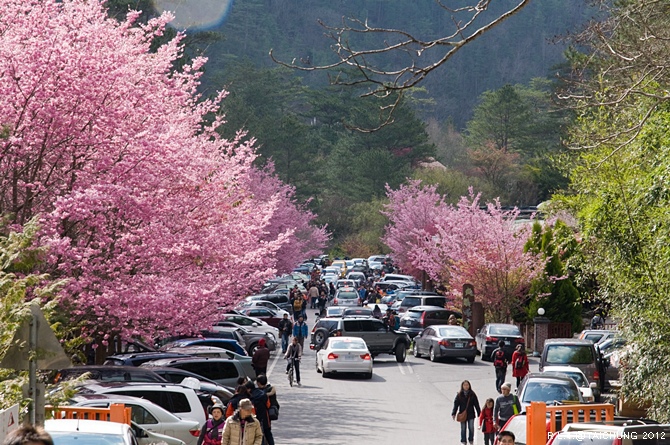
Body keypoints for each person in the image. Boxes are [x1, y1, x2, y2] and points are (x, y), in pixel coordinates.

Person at [451, 379, 481, 445]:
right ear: (462, 386)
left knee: (471, 428)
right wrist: (454, 413)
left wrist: (479, 413)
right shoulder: (459, 395)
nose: (466, 386)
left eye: (467, 385)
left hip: (471, 414)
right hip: (462, 414)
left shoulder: (472, 394)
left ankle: (471, 439)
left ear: (469, 386)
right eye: (464, 385)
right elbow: (456, 404)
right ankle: (463, 440)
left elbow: (476, 404)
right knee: (463, 428)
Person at [247, 379, 273, 445]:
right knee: (268, 433)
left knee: (258, 435)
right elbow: (268, 404)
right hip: (265, 417)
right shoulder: (263, 394)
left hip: (255, 418)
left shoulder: (251, 398)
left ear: (249, 389)